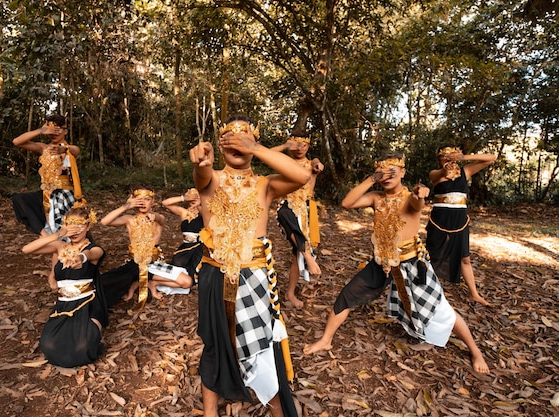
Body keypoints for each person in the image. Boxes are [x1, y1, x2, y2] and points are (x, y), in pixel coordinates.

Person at [303, 153, 489, 375]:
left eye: (393, 170)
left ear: (403, 172)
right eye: (383, 171)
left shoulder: (410, 196)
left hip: (412, 264)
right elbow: (346, 202)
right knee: (346, 295)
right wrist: (371, 179)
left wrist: (421, 195)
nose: (387, 175)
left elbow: (416, 203)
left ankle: (476, 351)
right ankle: (326, 340)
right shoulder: (376, 197)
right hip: (381, 263)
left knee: (440, 309)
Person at [189, 116, 311, 417]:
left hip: (254, 277)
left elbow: (300, 176)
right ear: (220, 143)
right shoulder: (212, 179)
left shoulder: (265, 185)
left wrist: (256, 148)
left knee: (258, 348)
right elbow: (201, 175)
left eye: (244, 136)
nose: (237, 140)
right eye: (230, 135)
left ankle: (275, 405)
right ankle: (210, 413)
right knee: (214, 344)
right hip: (214, 274)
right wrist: (201, 163)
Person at [21, 206, 107, 368]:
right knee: (48, 346)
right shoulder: (60, 246)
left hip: (87, 303)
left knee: (83, 349)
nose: (75, 230)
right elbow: (26, 250)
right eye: (70, 225)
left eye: (79, 226)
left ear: (88, 226)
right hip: (63, 304)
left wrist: (80, 258)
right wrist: (59, 234)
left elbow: (91, 254)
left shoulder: (94, 249)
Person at [12, 114, 83, 290]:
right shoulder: (43, 147)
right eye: (51, 130)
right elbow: (17, 142)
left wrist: (63, 150)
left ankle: (55, 274)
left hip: (64, 198)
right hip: (48, 198)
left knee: (63, 235)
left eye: (58, 130)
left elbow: (74, 150)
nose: (53, 133)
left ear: (65, 130)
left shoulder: (69, 149)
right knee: (57, 234)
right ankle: (57, 273)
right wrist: (40, 131)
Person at [99, 185, 193, 308]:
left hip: (153, 264)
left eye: (147, 199)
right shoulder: (129, 219)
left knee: (187, 282)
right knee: (106, 282)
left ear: (153, 201)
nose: (143, 202)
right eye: (139, 199)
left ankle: (150, 282)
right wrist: (126, 206)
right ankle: (136, 281)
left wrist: (155, 216)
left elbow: (160, 219)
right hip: (135, 264)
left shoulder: (158, 218)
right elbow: (104, 222)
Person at [426, 146, 496, 306]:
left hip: (459, 220)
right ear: (439, 160)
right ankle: (429, 291)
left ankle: (474, 294)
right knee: (433, 256)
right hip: (440, 220)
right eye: (445, 157)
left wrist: (464, 157)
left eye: (451, 157)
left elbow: (491, 158)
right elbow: (440, 174)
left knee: (464, 257)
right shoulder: (435, 174)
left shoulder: (465, 172)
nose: (449, 160)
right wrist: (446, 168)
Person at [271, 131, 324, 308]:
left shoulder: (312, 164)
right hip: (287, 207)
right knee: (289, 222)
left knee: (296, 252)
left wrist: (316, 163)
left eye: (304, 145)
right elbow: (267, 154)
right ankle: (309, 258)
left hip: (305, 210)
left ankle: (290, 293)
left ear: (308, 146)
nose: (300, 148)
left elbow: (315, 163)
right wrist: (285, 146)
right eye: (296, 144)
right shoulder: (285, 163)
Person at [161, 188, 204, 279]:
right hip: (186, 246)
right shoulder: (184, 213)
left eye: (196, 197)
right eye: (191, 197)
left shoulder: (206, 213)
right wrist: (183, 198)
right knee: (177, 262)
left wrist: (200, 205)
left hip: (200, 247)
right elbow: (165, 203)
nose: (193, 200)